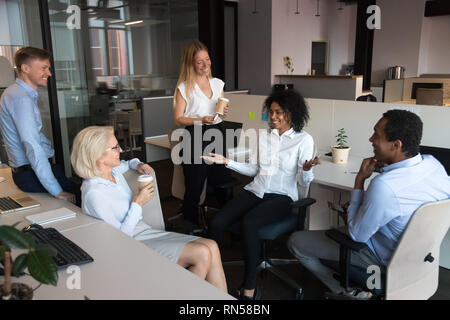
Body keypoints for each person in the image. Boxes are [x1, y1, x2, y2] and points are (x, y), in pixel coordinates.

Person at [288, 109, 450, 298]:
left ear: (396, 145)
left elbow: (357, 234)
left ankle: (348, 291)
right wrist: (386, 172)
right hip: (419, 258)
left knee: (296, 241)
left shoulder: (385, 187)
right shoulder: (434, 165)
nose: (371, 139)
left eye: (377, 135)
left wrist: (360, 180)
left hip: (380, 258)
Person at [71, 126, 228, 293]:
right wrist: (137, 203)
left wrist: (138, 164)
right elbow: (119, 239)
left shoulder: (112, 171)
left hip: (144, 231)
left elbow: (128, 163)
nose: (121, 149)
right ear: (97, 155)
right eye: (115, 147)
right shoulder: (94, 193)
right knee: (202, 253)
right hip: (129, 245)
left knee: (211, 245)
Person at [203, 89, 321, 300]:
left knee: (250, 223)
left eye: (278, 112)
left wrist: (308, 169)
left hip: (282, 195)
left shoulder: (304, 140)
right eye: (271, 112)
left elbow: (303, 182)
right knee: (217, 222)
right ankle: (212, 275)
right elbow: (254, 169)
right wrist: (226, 161)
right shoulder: (265, 136)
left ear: (292, 113)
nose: (272, 117)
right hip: (256, 190)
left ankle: (249, 287)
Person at [0, 47, 80, 205]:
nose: (49, 73)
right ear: (25, 68)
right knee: (83, 197)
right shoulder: (21, 98)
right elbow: (32, 146)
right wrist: (56, 190)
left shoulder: (16, 93)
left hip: (30, 172)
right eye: (43, 68)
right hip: (31, 173)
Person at [173, 40, 232, 229]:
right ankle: (190, 228)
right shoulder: (184, 87)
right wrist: (201, 120)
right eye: (199, 62)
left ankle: (227, 224)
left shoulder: (217, 83)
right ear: (191, 63)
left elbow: (219, 110)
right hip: (195, 136)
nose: (206, 65)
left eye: (207, 59)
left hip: (217, 134)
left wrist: (222, 113)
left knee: (223, 182)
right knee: (194, 187)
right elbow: (178, 119)